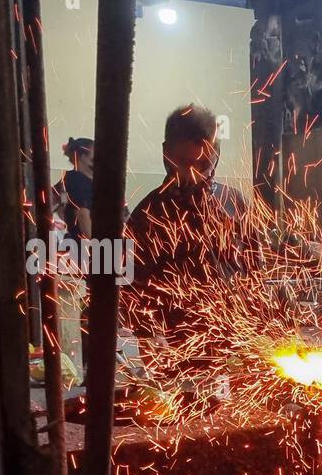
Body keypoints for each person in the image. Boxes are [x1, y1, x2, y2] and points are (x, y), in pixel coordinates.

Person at [123, 104, 253, 334]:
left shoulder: (234, 202)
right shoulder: (148, 216)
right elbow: (131, 291)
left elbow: (255, 267)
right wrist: (149, 334)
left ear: (217, 156)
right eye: (184, 163)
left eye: (203, 164)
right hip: (177, 342)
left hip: (236, 335)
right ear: (166, 155)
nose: (193, 174)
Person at [54, 137, 94, 243]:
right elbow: (82, 214)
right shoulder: (77, 180)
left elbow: (57, 204)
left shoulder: (68, 178)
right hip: (85, 246)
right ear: (82, 156)